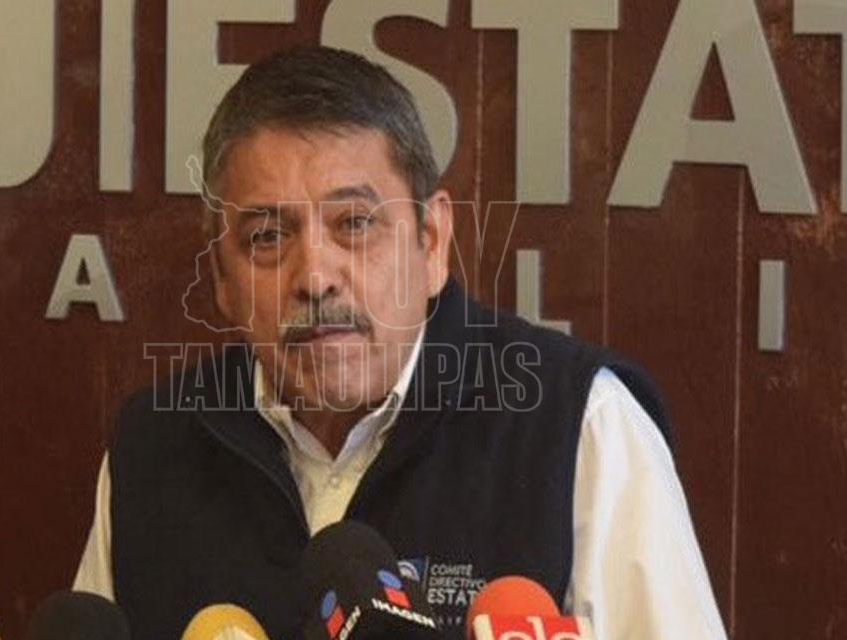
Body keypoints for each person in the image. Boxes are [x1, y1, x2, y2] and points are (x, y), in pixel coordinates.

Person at [73, 46, 727, 640]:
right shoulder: (153, 448)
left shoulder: (579, 422)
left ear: (431, 243)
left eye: (355, 223)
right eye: (268, 237)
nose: (316, 278)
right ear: (221, 276)